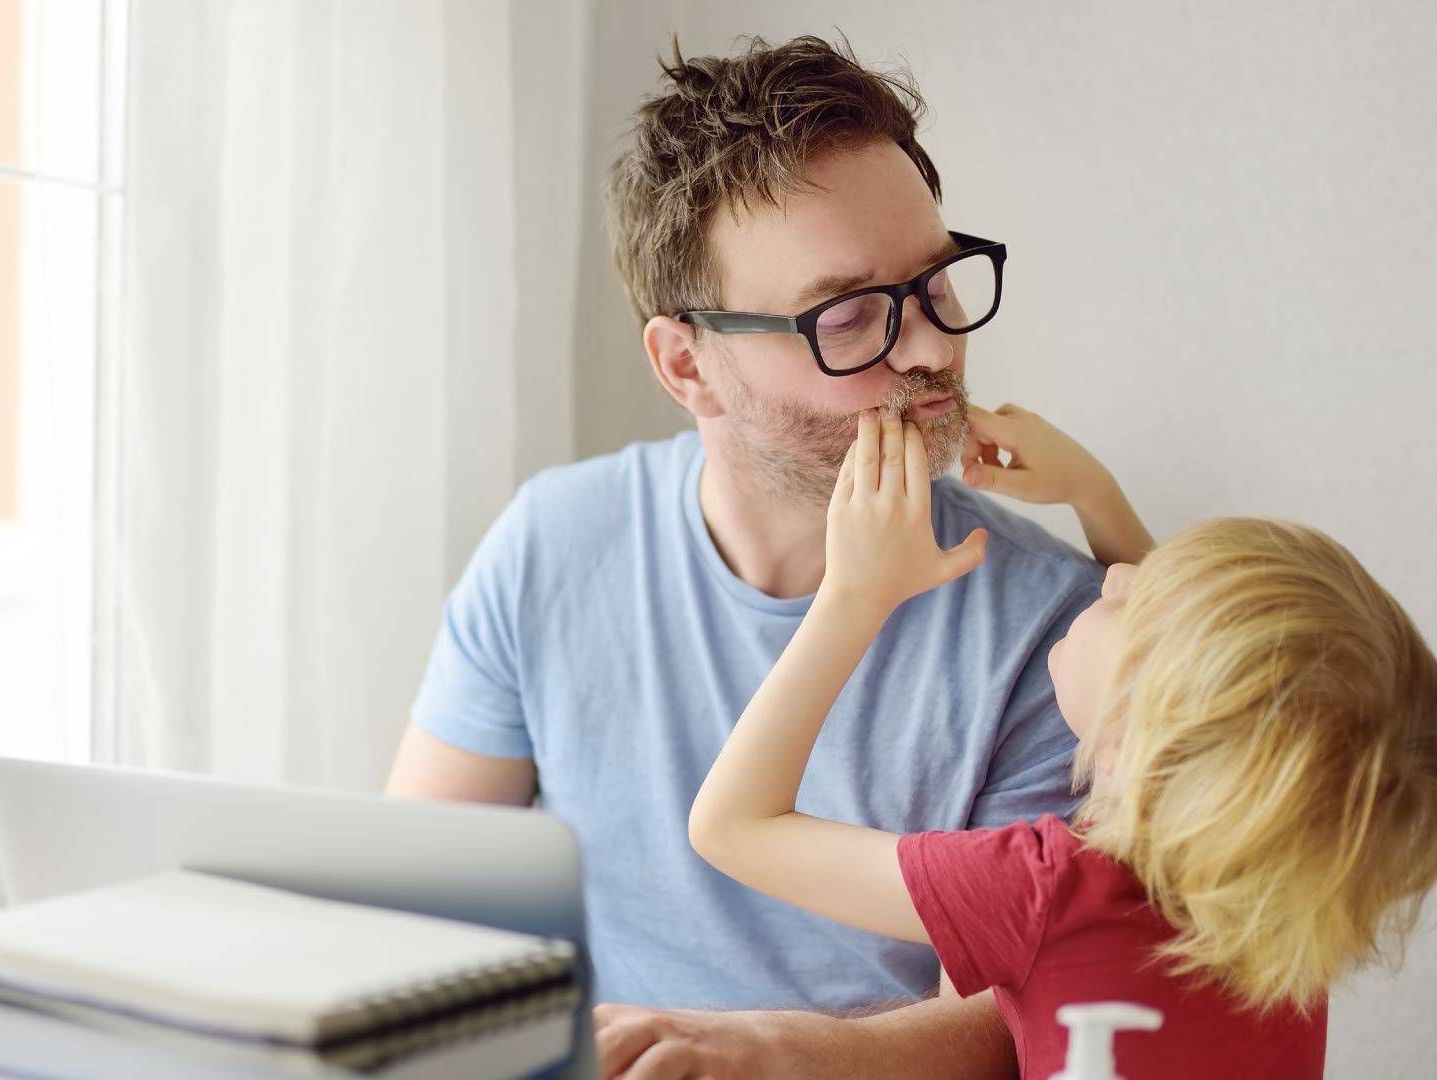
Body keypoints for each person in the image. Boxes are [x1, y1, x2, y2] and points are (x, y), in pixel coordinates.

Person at [386, 35, 1149, 1078]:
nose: (930, 348)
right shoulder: (552, 545)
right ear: (687, 364)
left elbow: (1012, 1031)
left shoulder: (1059, 639)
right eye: (847, 317)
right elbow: (413, 902)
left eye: (938, 283)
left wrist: (764, 1055)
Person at [688, 408, 1437, 1078]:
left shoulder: (1047, 891)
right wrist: (1091, 492)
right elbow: (1224, 692)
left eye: (1136, 605)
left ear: (1135, 743)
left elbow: (732, 826)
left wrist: (853, 596)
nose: (1116, 576)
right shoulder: (1282, 900)